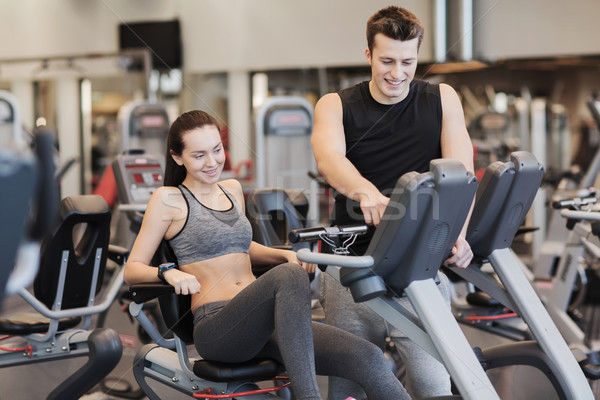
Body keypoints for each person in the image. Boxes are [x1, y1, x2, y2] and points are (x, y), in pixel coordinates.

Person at [124, 110, 411, 400]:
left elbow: (242, 247)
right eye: (199, 156)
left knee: (368, 357)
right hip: (219, 328)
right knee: (289, 275)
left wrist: (282, 256)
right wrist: (168, 272)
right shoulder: (169, 199)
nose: (212, 162)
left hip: (268, 323)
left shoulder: (232, 189)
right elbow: (132, 269)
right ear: (177, 157)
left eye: (217, 150)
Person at [311, 6, 475, 399]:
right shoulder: (335, 104)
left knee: (433, 381)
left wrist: (459, 235)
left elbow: (461, 173)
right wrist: (365, 190)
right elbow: (329, 158)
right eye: (387, 60)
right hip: (351, 264)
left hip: (417, 264)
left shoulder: (442, 98)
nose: (397, 73)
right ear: (368, 55)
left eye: (408, 62)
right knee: (350, 385)